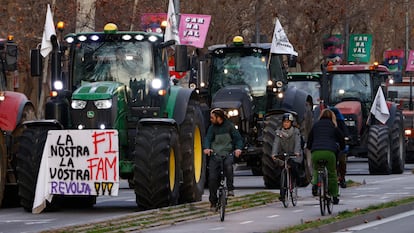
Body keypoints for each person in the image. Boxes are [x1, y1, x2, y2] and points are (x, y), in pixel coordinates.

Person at [203, 108, 244, 211]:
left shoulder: (229, 126)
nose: (210, 119)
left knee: (228, 167)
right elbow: (207, 138)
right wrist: (207, 148)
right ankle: (213, 202)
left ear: (219, 118)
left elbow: (238, 139)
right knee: (212, 179)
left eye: (212, 117)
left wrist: (238, 149)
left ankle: (230, 188)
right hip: (215, 155)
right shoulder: (212, 128)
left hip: (227, 154)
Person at [306, 108, 345, 204]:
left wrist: (312, 148)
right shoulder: (333, 126)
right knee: (332, 173)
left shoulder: (315, 126)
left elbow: (309, 142)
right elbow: (341, 139)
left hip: (316, 152)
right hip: (329, 152)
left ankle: (315, 184)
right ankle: (334, 196)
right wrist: (342, 148)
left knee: (316, 169)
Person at [271, 112, 303, 201]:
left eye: (288, 122)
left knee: (293, 166)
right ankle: (282, 194)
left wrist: (296, 152)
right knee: (282, 172)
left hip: (294, 155)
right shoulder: (279, 133)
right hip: (284, 155)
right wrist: (274, 154)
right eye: (284, 122)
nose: (286, 124)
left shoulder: (296, 132)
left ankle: (297, 179)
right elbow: (276, 144)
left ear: (291, 123)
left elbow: (297, 143)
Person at [328, 106, 350, 189]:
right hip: (330, 145)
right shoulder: (328, 123)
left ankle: (342, 178)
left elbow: (344, 132)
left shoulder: (340, 122)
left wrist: (346, 137)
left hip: (339, 145)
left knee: (342, 160)